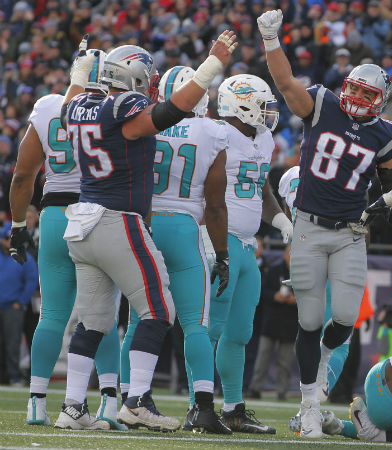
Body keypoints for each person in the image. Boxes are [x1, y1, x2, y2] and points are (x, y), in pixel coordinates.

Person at [258, 9, 392, 438]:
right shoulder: (321, 103)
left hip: (351, 232)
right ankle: (310, 405)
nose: (356, 97)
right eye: (353, 88)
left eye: (366, 93)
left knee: (346, 318)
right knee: (309, 320)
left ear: (382, 100)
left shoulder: (386, 135)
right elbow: (284, 84)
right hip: (310, 229)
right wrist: (270, 38)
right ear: (343, 86)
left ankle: (314, 381)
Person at [57, 33, 236, 432]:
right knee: (159, 311)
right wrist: (210, 66)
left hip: (81, 223)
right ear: (135, 76)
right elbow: (171, 112)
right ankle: (136, 400)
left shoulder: (77, 106)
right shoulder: (125, 108)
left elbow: (71, 97)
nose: (151, 84)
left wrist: (80, 69)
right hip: (118, 221)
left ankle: (72, 408)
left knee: (94, 321)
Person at [8, 47, 125, 429]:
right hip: (97, 214)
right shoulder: (112, 108)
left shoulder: (46, 107)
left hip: (55, 215)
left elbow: (23, 175)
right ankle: (109, 402)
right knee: (102, 315)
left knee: (53, 315)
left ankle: (36, 403)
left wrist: (18, 225)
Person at [117, 65, 230, 434]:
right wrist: (223, 252)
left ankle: (130, 398)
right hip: (183, 227)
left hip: (143, 223)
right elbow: (215, 204)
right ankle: (203, 408)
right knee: (195, 324)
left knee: (138, 320)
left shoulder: (147, 119)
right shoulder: (213, 131)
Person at [199, 73, 291, 434]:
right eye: (262, 105)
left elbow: (259, 185)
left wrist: (282, 221)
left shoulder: (263, 138)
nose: (268, 113)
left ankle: (234, 408)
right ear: (241, 103)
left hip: (247, 245)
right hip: (216, 241)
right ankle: (200, 405)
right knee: (209, 328)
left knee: (239, 332)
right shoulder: (217, 134)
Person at [248, 244, 298, 401]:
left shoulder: (304, 273)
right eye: (290, 253)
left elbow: (310, 294)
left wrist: (297, 300)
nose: (292, 256)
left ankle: (282, 390)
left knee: (285, 360)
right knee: (263, 357)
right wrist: (275, 296)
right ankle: (255, 388)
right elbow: (263, 292)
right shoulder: (274, 270)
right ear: (285, 255)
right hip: (272, 320)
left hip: (291, 322)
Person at [0, 222, 38, 387]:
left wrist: (20, 302)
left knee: (12, 343)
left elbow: (31, 282)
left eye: (11, 238)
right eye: (6, 238)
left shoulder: (25, 257)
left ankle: (14, 376)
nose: (8, 241)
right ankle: (3, 376)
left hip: (12, 307)